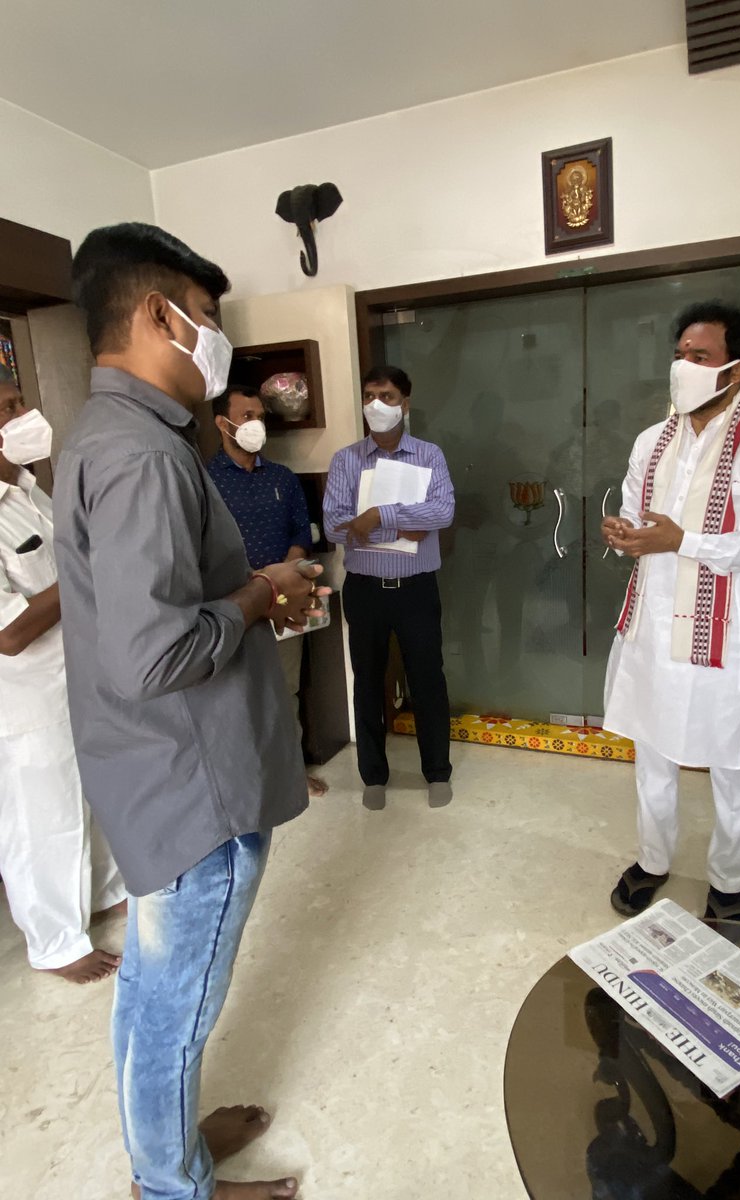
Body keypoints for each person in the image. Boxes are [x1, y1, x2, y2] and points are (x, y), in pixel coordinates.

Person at [53, 222, 327, 1200]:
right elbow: (152, 652)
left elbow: (154, 609)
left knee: (153, 992)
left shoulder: (119, 433)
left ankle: (164, 1151)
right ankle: (171, 1188)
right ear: (159, 316)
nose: (216, 343)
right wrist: (256, 599)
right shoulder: (143, 455)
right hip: (191, 786)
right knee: (177, 1000)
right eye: (207, 320)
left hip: (158, 772)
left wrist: (247, 583)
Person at [602, 301, 740, 923]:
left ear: (737, 368)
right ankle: (652, 859)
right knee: (652, 752)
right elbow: (640, 513)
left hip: (726, 638)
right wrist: (625, 531)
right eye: (679, 355)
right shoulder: (653, 439)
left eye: (699, 357)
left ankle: (728, 879)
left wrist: (686, 543)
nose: (683, 367)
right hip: (651, 627)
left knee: (731, 762)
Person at [0, 366, 126, 983]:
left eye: (20, 399)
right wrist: (85, 568)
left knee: (86, 793)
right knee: (39, 817)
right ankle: (53, 941)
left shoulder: (28, 490)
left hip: (74, 680)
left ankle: (102, 891)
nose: (23, 416)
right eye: (6, 407)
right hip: (22, 703)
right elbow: (10, 633)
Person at [323, 365, 455, 810]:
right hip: (365, 588)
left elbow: (442, 513)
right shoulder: (346, 460)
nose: (377, 405)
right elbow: (336, 526)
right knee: (367, 681)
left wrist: (378, 517)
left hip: (417, 588)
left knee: (427, 679)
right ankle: (373, 776)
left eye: (389, 396)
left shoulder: (429, 456)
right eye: (370, 395)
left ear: (406, 403)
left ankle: (437, 771)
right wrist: (405, 526)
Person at [207, 382, 327, 796]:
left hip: (283, 600)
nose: (255, 424)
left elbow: (302, 530)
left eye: (259, 416)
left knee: (285, 689)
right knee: (238, 695)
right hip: (231, 605)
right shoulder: (205, 482)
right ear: (222, 423)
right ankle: (246, 782)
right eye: (246, 416)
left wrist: (282, 574)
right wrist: (251, 584)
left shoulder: (283, 477)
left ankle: (290, 772)